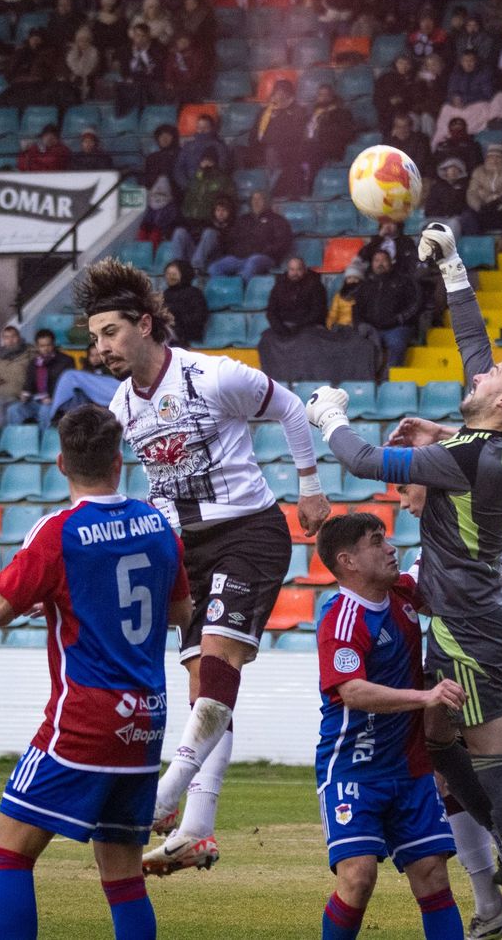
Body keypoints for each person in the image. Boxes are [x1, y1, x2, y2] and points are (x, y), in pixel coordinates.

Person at [307, 223, 502, 940]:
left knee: (494, 762)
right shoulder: (494, 441)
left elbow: (360, 462)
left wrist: (327, 415)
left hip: (469, 626)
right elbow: (478, 350)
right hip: (466, 617)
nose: (476, 376)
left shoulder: (464, 458)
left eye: (487, 381)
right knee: (442, 746)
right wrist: (452, 267)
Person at [73, 259, 328, 875]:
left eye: (108, 333)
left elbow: (291, 408)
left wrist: (311, 486)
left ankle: (163, 797)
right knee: (203, 692)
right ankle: (198, 828)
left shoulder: (212, 377)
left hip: (248, 532)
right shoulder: (119, 405)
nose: (99, 348)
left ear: (143, 324)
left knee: (217, 662)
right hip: (183, 549)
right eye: (93, 338)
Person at [0, 405, 189, 940]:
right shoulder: (159, 526)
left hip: (84, 718)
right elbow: (178, 613)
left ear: (60, 463)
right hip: (146, 719)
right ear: (119, 461)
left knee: (6, 854)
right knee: (122, 876)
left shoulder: (58, 531)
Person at [391, 444, 502, 938]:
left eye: (406, 489)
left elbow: (496, 449)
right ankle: (497, 903)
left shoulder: (493, 505)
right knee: (463, 771)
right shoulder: (462, 532)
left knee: (485, 774)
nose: (404, 504)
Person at [311, 512, 467, 940]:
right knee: (358, 878)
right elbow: (353, 691)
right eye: (376, 542)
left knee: (433, 875)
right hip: (353, 769)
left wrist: (487, 609)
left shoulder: (400, 591)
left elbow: (444, 598)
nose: (390, 547)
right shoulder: (342, 619)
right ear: (348, 561)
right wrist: (426, 697)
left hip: (410, 769)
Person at [354, 250, 424, 370]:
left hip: (397, 327)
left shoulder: (404, 281)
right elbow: (357, 309)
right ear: (372, 264)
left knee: (396, 344)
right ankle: (368, 380)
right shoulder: (365, 285)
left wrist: (398, 319)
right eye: (377, 260)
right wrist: (361, 324)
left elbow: (415, 304)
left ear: (390, 262)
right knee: (358, 345)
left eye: (384, 260)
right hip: (372, 328)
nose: (380, 263)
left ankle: (391, 380)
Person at [5, 328, 77, 426]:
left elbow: (69, 387)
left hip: (57, 402)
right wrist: (25, 394)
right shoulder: (34, 363)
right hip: (36, 401)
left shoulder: (66, 361)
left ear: (53, 344)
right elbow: (28, 385)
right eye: (42, 346)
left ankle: (45, 440)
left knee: (45, 410)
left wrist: (53, 399)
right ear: (37, 347)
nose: (46, 349)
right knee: (13, 410)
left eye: (48, 345)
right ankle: (18, 440)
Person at [45, 343, 120, 428]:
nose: (95, 358)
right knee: (75, 392)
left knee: (69, 375)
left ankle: (55, 413)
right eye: (92, 355)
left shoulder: (112, 369)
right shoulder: (85, 373)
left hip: (113, 393)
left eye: (98, 355)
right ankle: (61, 414)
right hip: (91, 405)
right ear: (88, 357)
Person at [266, 256, 327, 335]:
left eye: (299, 269)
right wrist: (278, 326)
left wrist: (299, 327)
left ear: (304, 270)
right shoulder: (279, 285)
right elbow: (271, 310)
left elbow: (318, 311)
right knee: (267, 339)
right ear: (288, 270)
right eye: (292, 269)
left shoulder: (315, 285)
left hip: (308, 326)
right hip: (284, 325)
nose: (295, 273)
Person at [161, 259, 210, 348]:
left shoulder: (194, 293)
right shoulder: (166, 293)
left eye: (174, 274)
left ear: (184, 275)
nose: (170, 277)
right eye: (168, 274)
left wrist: (176, 312)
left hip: (188, 332)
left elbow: (199, 318)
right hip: (169, 330)